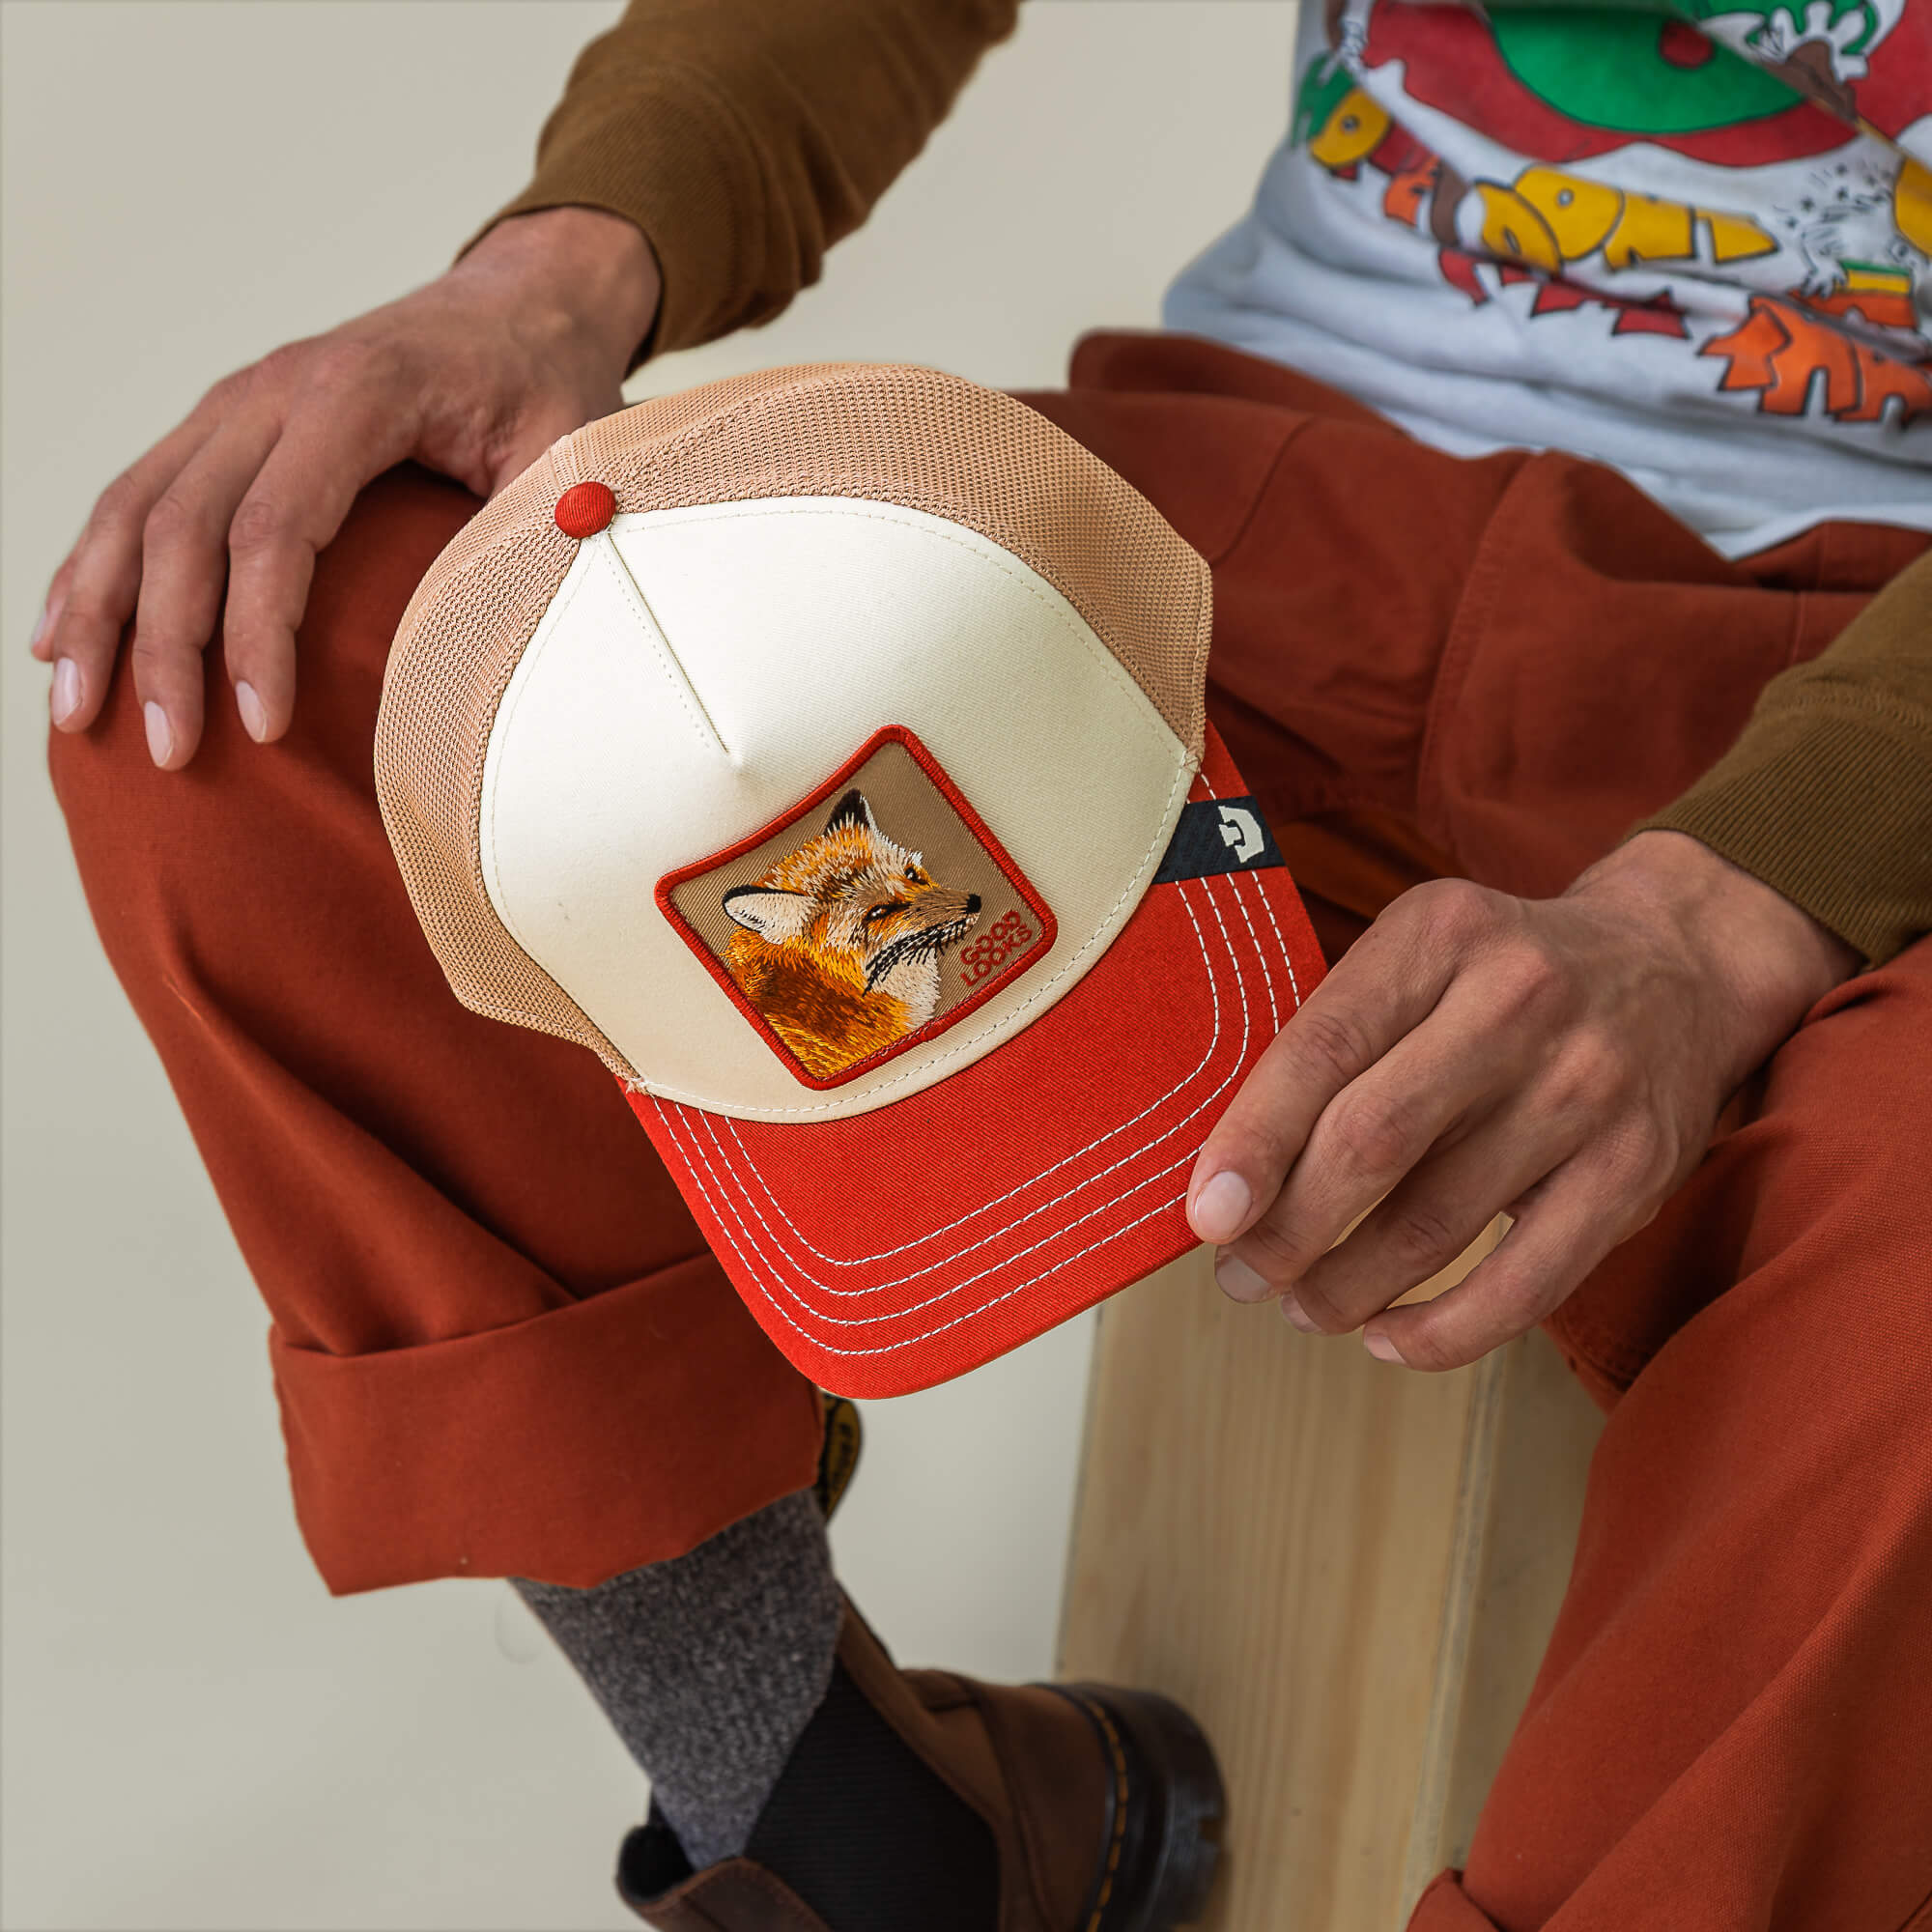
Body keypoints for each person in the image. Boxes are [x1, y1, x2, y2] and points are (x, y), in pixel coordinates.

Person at [34, 1, 1932, 1926]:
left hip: (1878, 688)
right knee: (299, 647)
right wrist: (555, 268)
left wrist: (1727, 902)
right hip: (1236, 559)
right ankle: (849, 1827)